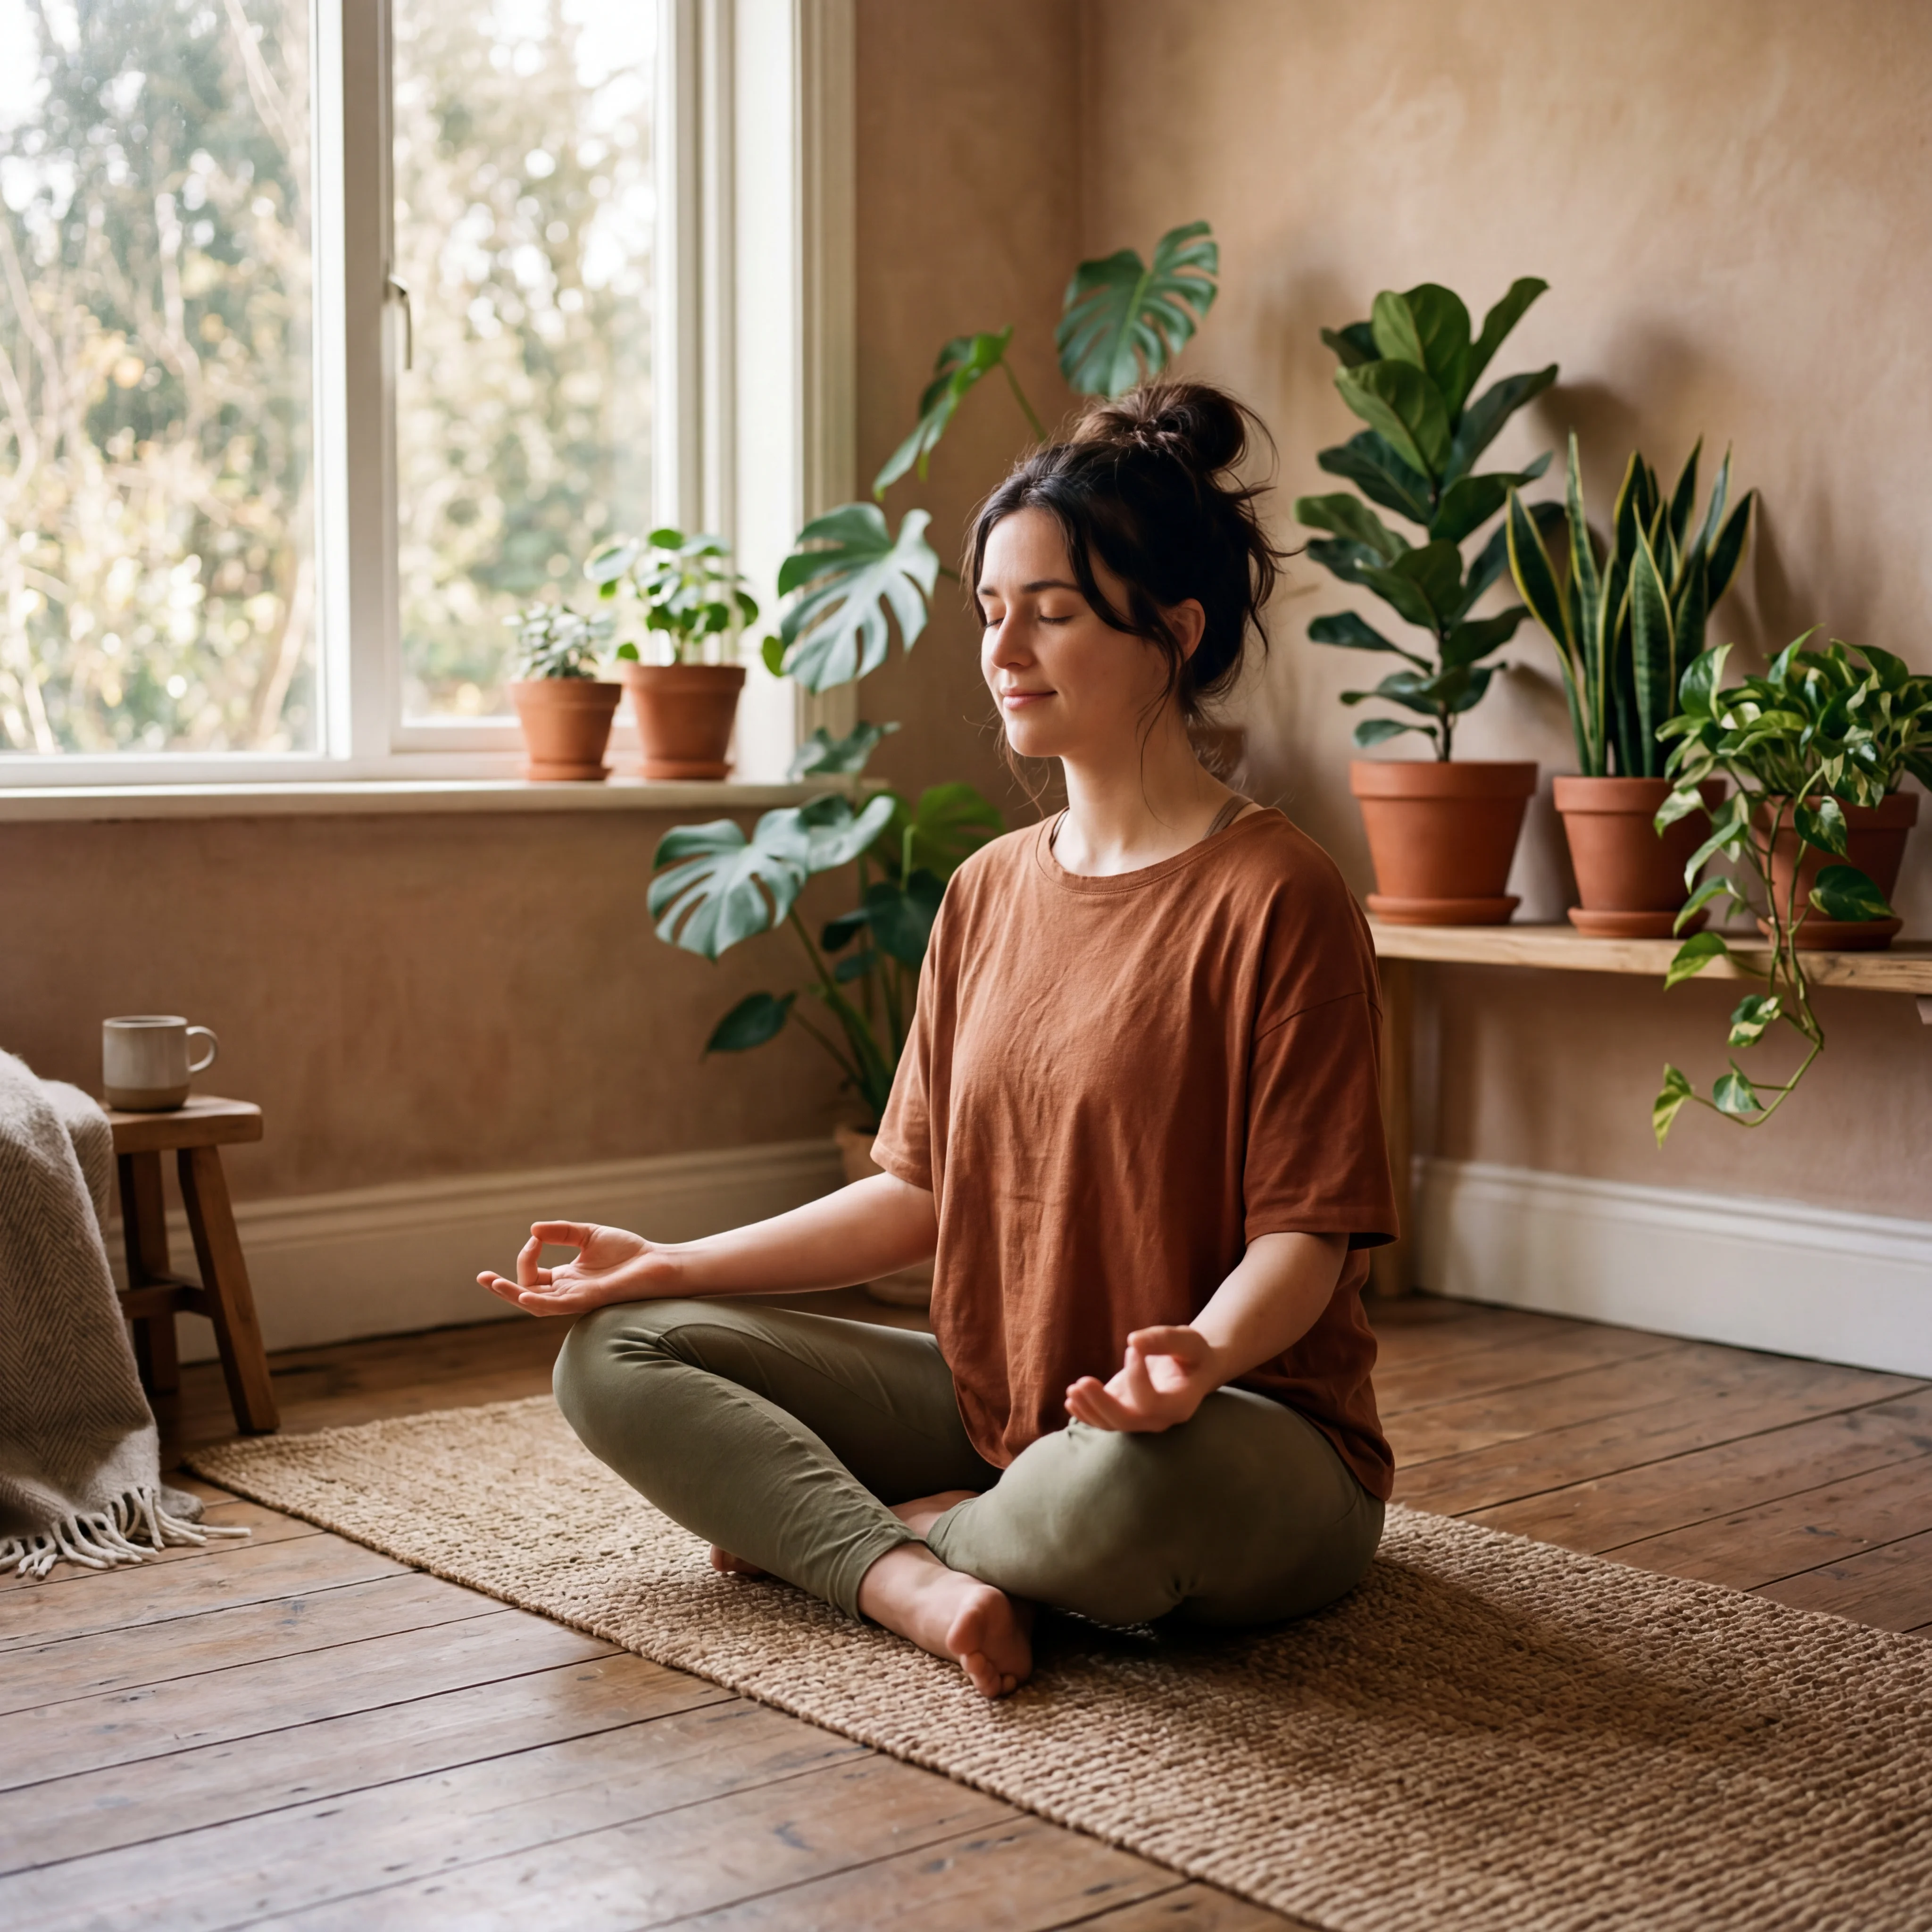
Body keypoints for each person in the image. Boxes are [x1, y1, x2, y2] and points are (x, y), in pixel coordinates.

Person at [479, 379, 1399, 1700]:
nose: (1004, 649)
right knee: (617, 1353)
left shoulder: (1280, 896)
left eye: (1054, 612)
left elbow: (1304, 1245)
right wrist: (668, 1259)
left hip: (1238, 1438)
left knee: (1128, 1487)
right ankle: (920, 1576)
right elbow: (915, 1193)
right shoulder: (985, 893)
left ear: (1176, 635)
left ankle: (897, 1533)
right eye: (991, 613)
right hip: (1008, 1406)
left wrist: (1197, 1355)